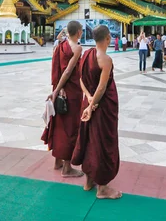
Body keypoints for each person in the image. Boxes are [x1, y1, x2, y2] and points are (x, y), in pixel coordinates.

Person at [71, 25, 121, 200]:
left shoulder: (86, 54)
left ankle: (89, 181)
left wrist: (88, 99)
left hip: (88, 103)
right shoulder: (105, 59)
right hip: (101, 107)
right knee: (101, 143)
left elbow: (81, 80)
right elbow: (102, 88)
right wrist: (93, 105)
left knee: (89, 140)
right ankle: (103, 188)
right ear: (108, 38)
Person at [41, 20, 84, 178]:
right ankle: (67, 167)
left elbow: (58, 69)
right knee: (71, 128)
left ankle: (57, 161)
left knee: (60, 126)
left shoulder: (61, 46)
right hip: (71, 93)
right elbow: (67, 72)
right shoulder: (77, 48)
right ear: (79, 32)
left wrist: (55, 91)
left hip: (60, 91)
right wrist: (58, 90)